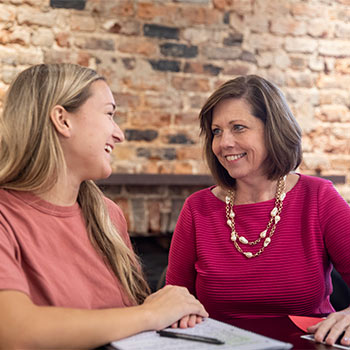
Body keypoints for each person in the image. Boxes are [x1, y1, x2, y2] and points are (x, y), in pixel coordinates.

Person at [0, 63, 208, 349]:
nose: (119, 134)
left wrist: (168, 315)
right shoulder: (5, 217)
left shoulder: (108, 215)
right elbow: (14, 333)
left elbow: (130, 323)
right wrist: (150, 314)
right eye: (109, 114)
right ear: (62, 120)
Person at [166, 75, 350, 347]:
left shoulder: (319, 197)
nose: (224, 143)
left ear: (273, 130)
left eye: (238, 127)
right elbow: (173, 300)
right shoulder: (197, 209)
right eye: (217, 131)